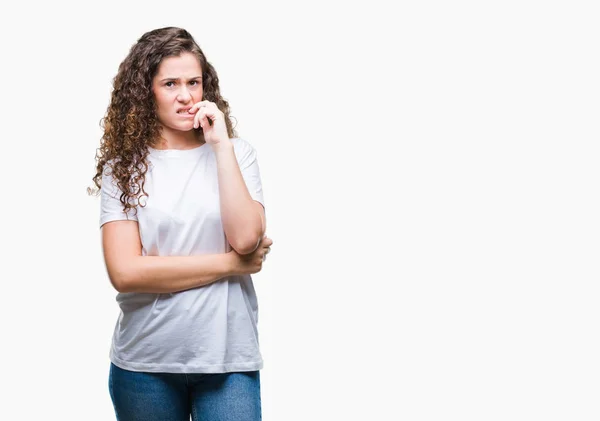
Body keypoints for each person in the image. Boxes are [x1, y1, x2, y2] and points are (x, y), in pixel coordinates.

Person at [89, 26, 273, 421]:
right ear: (145, 91)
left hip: (228, 361)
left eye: (194, 82)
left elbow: (245, 238)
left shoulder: (237, 153)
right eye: (170, 83)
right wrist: (229, 265)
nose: (187, 95)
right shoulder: (122, 169)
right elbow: (125, 272)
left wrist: (220, 146)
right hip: (145, 364)